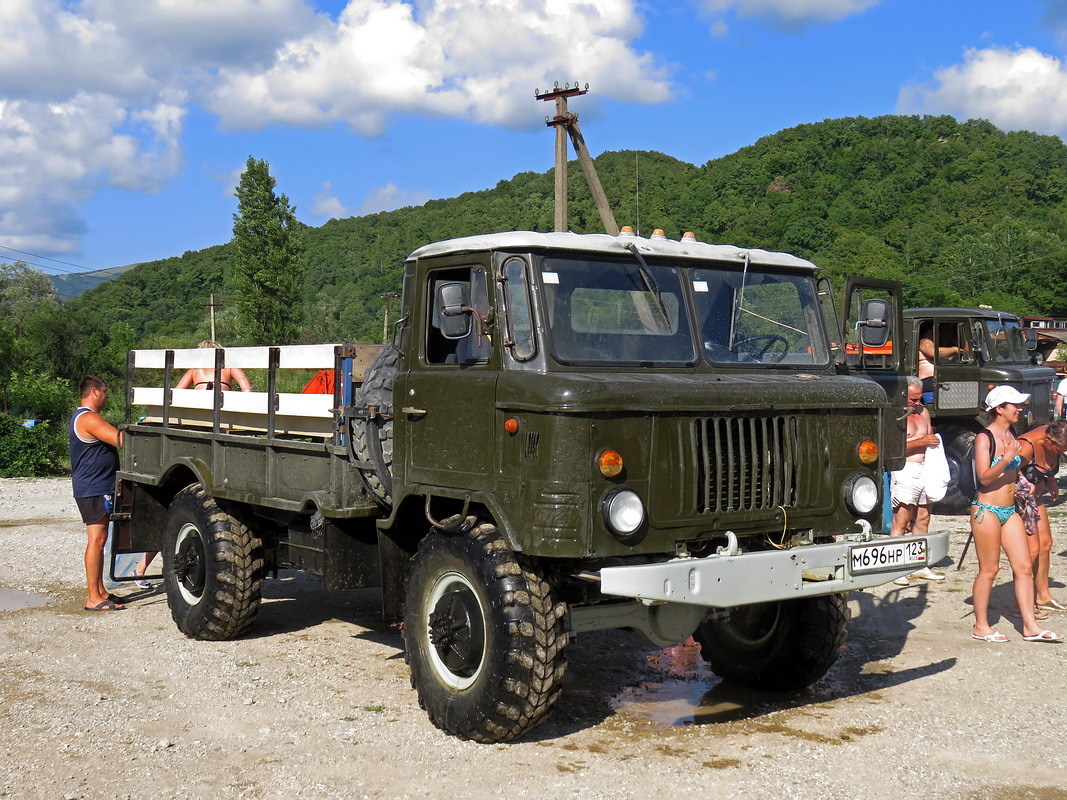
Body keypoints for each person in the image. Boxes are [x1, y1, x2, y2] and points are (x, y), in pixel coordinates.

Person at [970, 385, 1062, 643]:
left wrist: (1034, 481)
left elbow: (1021, 467)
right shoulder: (984, 438)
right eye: (1015, 405)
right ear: (999, 409)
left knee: (1023, 567)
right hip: (986, 509)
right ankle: (981, 626)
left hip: (1010, 510)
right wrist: (1006, 457)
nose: (1020, 409)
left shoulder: (1012, 433)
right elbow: (984, 478)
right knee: (989, 569)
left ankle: (1030, 626)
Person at [70, 376, 125, 611]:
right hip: (93, 488)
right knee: (96, 540)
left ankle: (100, 591)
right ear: (94, 392)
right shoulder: (88, 417)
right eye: (105, 391)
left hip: (95, 486)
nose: (107, 396)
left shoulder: (84, 416)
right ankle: (93, 597)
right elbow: (119, 439)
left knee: (100, 540)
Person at [890, 376, 945, 585]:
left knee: (923, 518)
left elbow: (929, 437)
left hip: (925, 467)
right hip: (905, 468)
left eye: (919, 399)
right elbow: (893, 448)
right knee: (901, 520)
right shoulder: (897, 415)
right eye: (913, 400)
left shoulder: (923, 412)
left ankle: (918, 564)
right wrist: (921, 441)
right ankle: (897, 567)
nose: (916, 404)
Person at [1017, 421, 1067, 612]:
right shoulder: (1026, 446)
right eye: (1058, 449)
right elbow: (1006, 472)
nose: (1060, 453)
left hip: (1036, 498)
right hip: (1020, 502)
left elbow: (1048, 463)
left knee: (1046, 544)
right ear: (1048, 439)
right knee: (1032, 551)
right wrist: (1020, 487)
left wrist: (1051, 480)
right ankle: (1021, 602)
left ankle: (1043, 595)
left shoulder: (1056, 437)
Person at [174, 340, 253, 392]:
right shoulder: (229, 367)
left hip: (199, 405)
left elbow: (178, 391)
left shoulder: (194, 370)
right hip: (223, 405)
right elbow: (246, 386)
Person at [916, 321, 959, 404]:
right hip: (928, 381)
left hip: (935, 380)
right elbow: (933, 352)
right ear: (929, 332)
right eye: (936, 333)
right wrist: (955, 349)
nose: (938, 336)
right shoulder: (924, 341)